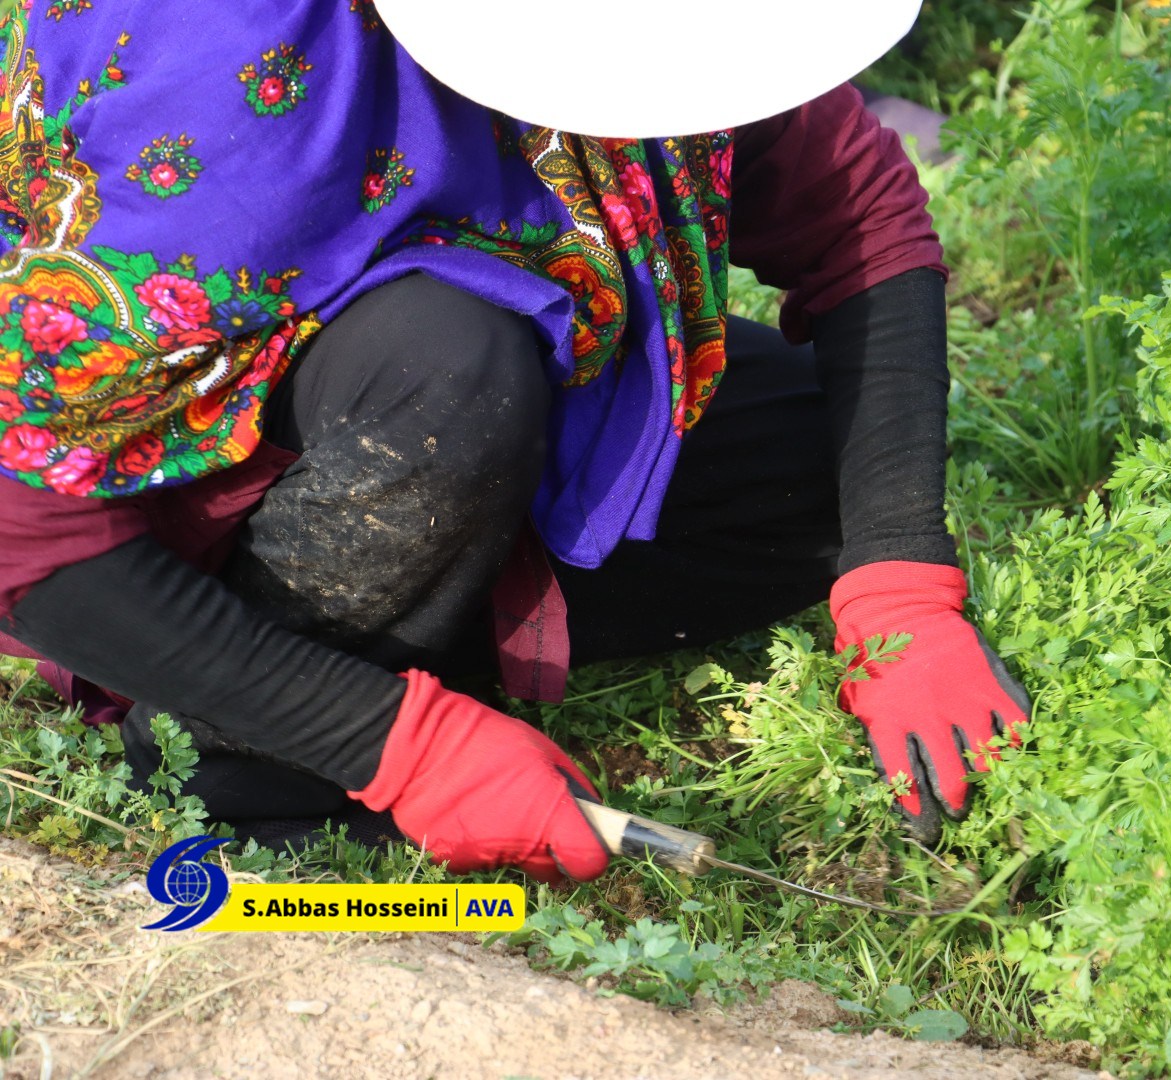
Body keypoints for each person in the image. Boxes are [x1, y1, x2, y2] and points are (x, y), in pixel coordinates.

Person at [0, 0, 1030, 883]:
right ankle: (240, 758)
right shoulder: (233, 79)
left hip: (478, 412)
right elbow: (22, 525)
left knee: (813, 453)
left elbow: (859, 216)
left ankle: (421, 637)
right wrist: (396, 744)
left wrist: (899, 576)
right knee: (453, 366)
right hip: (250, 466)